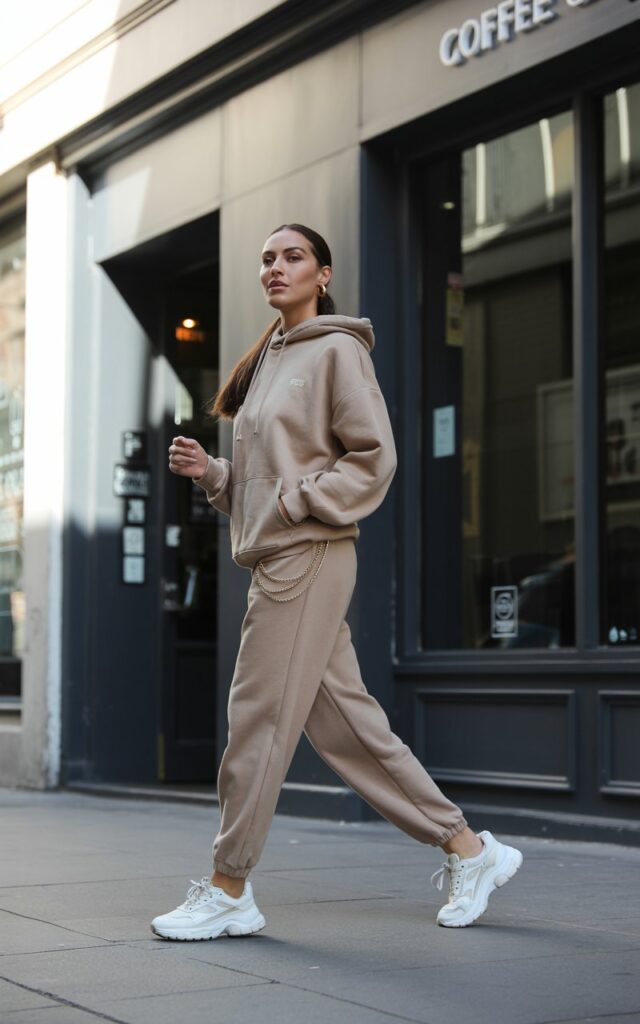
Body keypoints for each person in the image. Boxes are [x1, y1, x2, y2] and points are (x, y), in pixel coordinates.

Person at [152, 223, 522, 940]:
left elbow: (373, 458)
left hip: (308, 554)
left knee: (256, 723)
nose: (275, 267)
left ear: (323, 274)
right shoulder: (270, 358)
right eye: (267, 259)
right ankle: (469, 849)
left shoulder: (337, 350)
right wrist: (215, 475)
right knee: (349, 728)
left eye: (292, 257)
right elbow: (265, 481)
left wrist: (298, 505)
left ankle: (229, 889)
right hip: (281, 556)